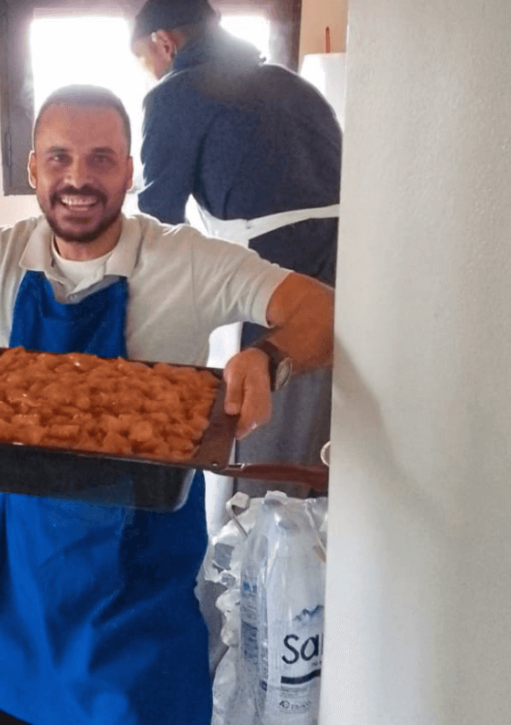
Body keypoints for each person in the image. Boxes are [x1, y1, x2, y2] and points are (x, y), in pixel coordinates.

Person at [0, 85, 334, 725]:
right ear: (32, 169)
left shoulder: (184, 259)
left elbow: (322, 311)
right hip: (21, 598)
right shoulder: (2, 254)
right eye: (58, 158)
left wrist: (268, 358)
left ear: (130, 172)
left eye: (101, 159)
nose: (78, 178)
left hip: (138, 604)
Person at [130, 0, 342, 478]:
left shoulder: (173, 96)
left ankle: (257, 532)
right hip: (354, 263)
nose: (151, 74)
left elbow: (157, 219)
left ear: (167, 43)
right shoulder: (294, 85)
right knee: (331, 434)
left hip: (277, 268)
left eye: (145, 61)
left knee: (261, 432)